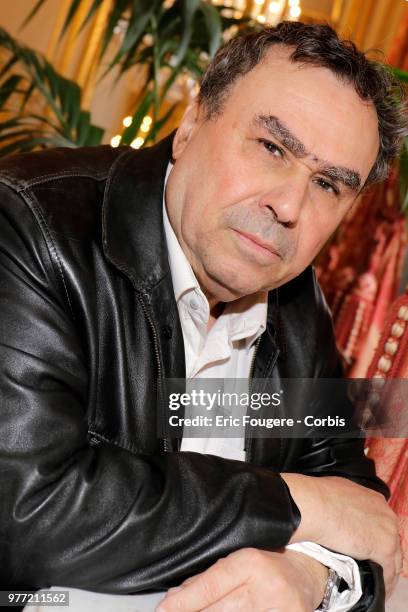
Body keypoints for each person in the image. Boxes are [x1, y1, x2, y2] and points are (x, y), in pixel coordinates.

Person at [0, 21, 406, 612]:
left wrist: (308, 577)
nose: (289, 207)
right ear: (191, 123)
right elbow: (27, 518)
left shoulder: (293, 299)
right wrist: (294, 506)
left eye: (327, 185)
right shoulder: (31, 229)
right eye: (273, 148)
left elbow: (362, 511)